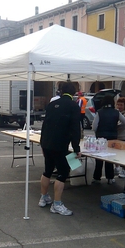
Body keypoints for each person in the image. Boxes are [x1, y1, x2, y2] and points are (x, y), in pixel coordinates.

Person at [38, 81, 81, 216]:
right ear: (73, 92)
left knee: (47, 170)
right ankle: (57, 204)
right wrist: (76, 148)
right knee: (62, 172)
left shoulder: (51, 105)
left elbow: (44, 125)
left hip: (47, 143)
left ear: (61, 91)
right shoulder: (73, 106)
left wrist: (42, 143)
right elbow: (75, 129)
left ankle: (43, 197)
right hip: (60, 144)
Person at [92, 95, 125, 184]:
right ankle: (110, 178)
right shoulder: (116, 112)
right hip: (112, 137)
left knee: (99, 158)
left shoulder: (99, 112)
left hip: (100, 138)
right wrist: (117, 126)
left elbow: (94, 126)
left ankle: (97, 177)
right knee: (110, 158)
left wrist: (98, 131)